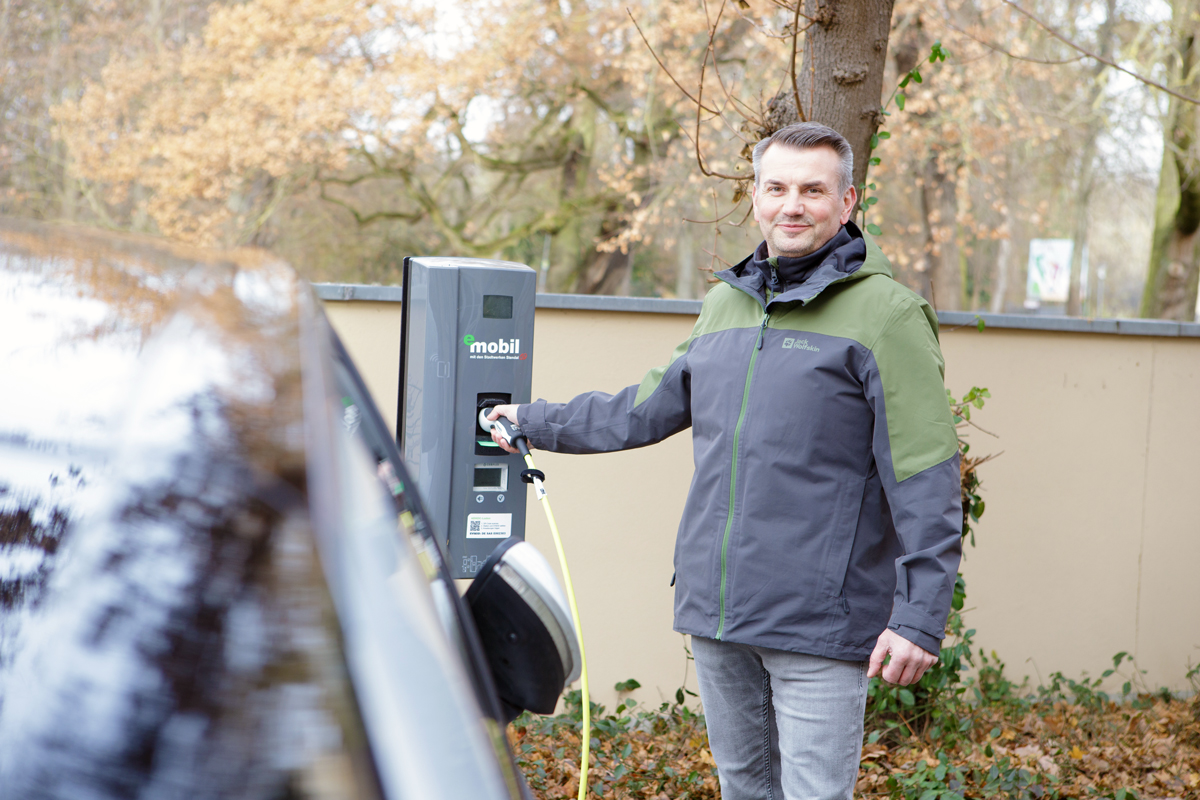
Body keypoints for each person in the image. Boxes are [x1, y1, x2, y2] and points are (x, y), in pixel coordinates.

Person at [488, 122, 962, 800]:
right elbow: (642, 410)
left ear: (848, 201)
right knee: (743, 789)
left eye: (812, 190)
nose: (791, 204)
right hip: (718, 615)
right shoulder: (724, 304)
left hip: (818, 625)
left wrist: (918, 616)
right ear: (756, 196)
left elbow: (926, 474)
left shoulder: (885, 315)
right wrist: (532, 420)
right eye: (776, 187)